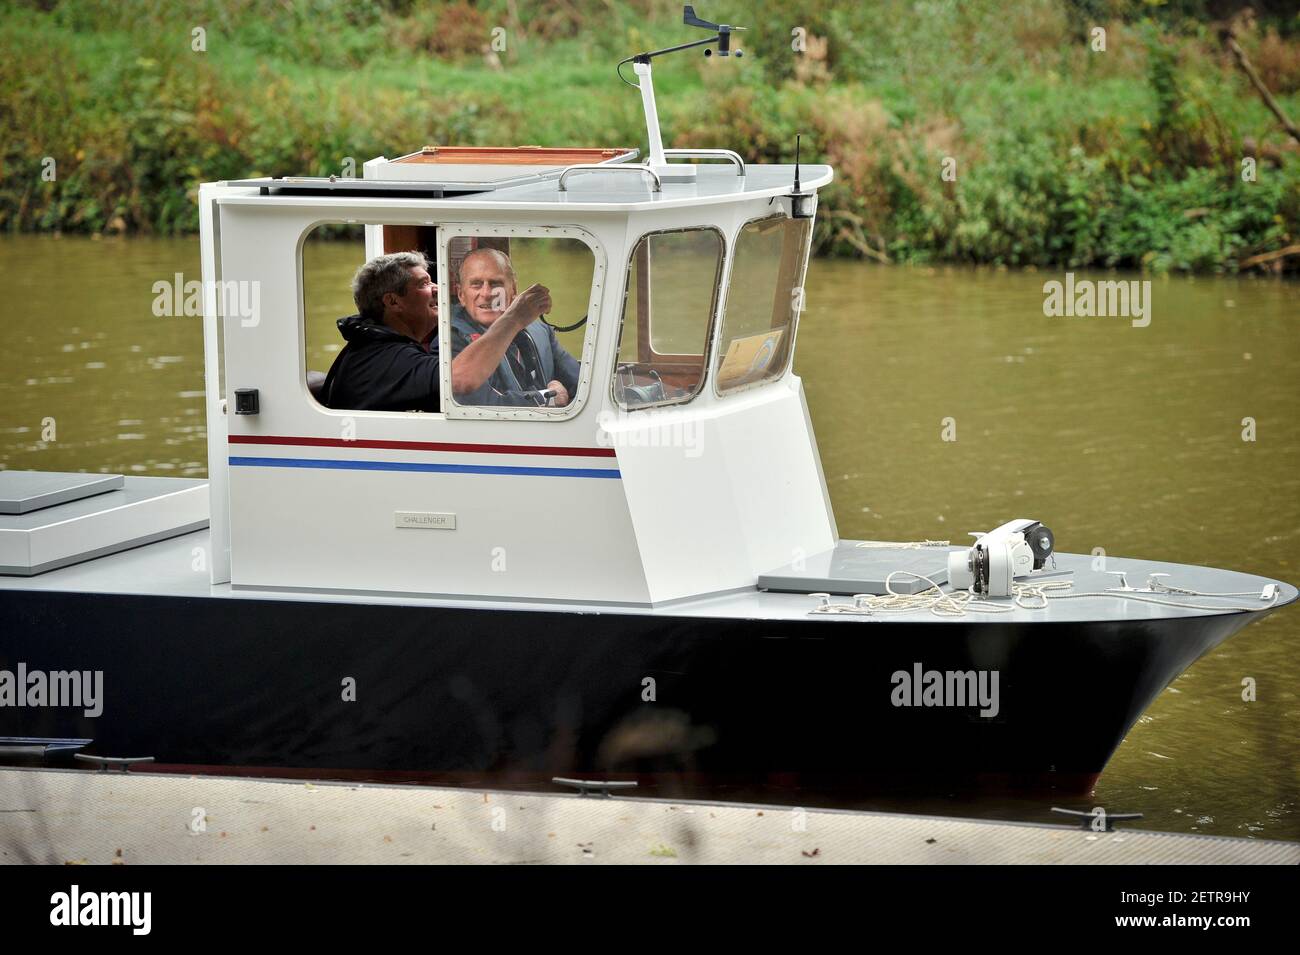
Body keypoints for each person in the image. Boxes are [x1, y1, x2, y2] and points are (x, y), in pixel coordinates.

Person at [444, 248, 581, 407]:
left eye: (496, 283)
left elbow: (582, 384)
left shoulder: (541, 331)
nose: (487, 293)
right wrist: (549, 397)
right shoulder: (449, 339)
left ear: (513, 290)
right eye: (476, 284)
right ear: (461, 295)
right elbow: (484, 406)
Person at [321, 252, 441, 412]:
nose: (437, 289)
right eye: (423, 284)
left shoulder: (370, 345)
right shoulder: (391, 358)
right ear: (393, 301)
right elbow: (460, 379)